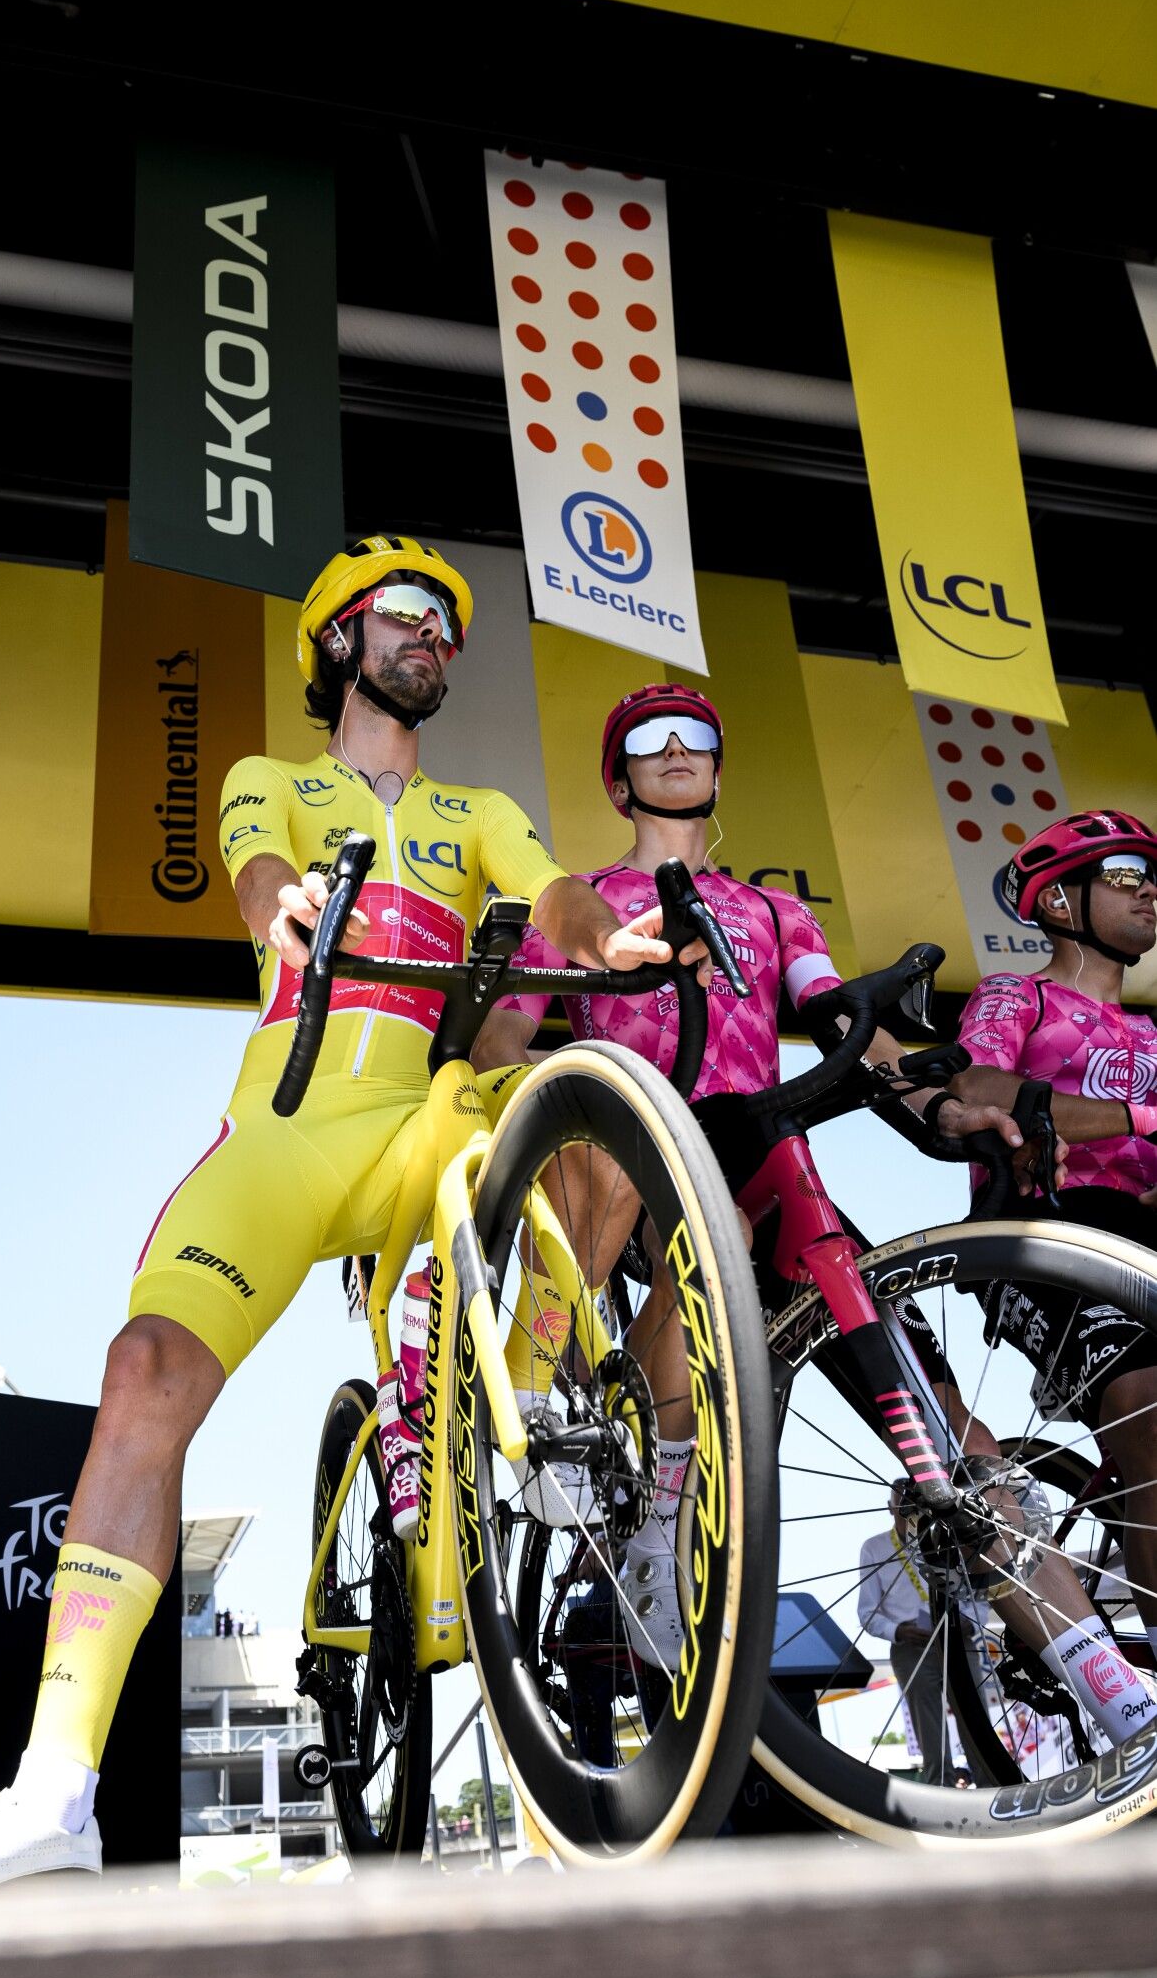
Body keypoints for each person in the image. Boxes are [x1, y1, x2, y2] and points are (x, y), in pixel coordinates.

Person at [0, 536, 689, 1894]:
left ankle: (526, 1424)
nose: (433, 637)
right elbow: (257, 866)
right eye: (409, 613)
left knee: (582, 1110)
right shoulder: (268, 778)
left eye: (448, 626)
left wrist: (595, 936)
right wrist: (280, 902)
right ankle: (52, 1795)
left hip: (420, 1118)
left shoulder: (477, 811)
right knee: (143, 1370)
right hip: (285, 1127)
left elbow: (553, 889)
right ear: (340, 641)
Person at [472, 693, 1153, 1744]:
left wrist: (943, 1107)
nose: (674, 751)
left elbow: (845, 1024)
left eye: (697, 736)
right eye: (647, 741)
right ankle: (652, 1527)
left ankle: (1123, 1704)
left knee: (958, 1446)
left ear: (719, 769)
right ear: (617, 780)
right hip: (644, 1155)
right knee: (716, 1273)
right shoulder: (584, 904)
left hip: (768, 1156)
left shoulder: (773, 911)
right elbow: (502, 1044)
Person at [941, 809, 1157, 1724]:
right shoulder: (1014, 997)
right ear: (1060, 900)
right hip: (1046, 1230)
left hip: (1143, 1233)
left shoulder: (1151, 1029)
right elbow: (978, 1087)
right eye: (1126, 873)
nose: (1150, 891)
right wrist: (1137, 1119)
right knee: (1146, 1409)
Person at [856, 1481, 991, 1785]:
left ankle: (991, 1785)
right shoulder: (874, 1548)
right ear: (889, 1508)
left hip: (957, 1637)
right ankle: (941, 1790)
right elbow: (867, 1613)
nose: (909, 1511)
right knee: (929, 1728)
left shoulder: (949, 1538)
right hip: (910, 1646)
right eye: (902, 1506)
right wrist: (898, 1631)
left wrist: (972, 1621)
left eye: (915, 1505)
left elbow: (979, 1592)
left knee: (976, 1718)